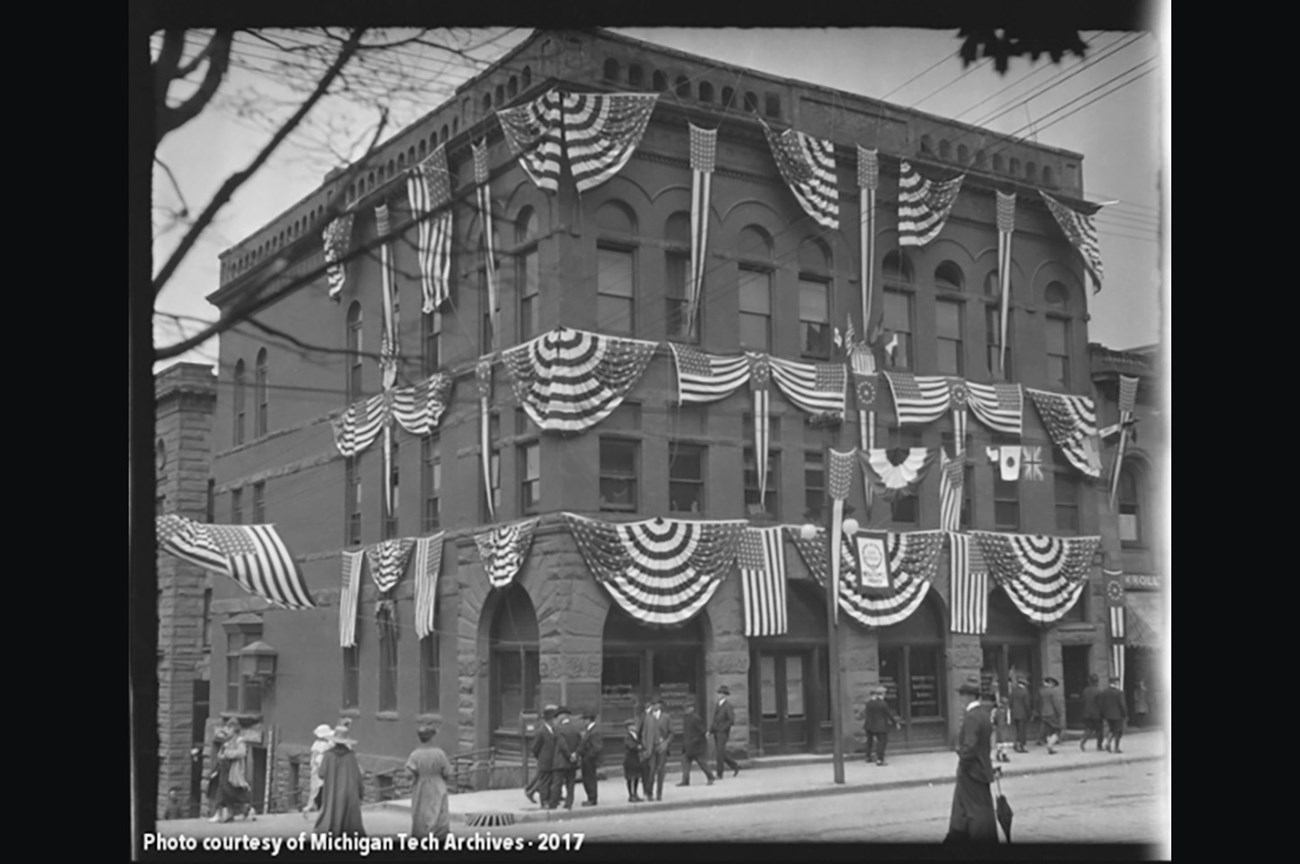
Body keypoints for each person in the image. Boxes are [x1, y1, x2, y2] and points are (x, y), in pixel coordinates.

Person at [944, 677, 999, 844]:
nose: (961, 700)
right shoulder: (983, 715)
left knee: (975, 810)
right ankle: (956, 837)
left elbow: (970, 747)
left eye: (962, 695)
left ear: (968, 697)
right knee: (962, 809)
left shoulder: (972, 717)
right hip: (981, 769)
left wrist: (962, 757)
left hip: (972, 772)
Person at [315, 725, 366, 837]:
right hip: (348, 791)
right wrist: (361, 792)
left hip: (332, 790)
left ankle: (331, 829)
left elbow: (321, 774)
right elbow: (357, 776)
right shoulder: (351, 756)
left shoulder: (328, 755)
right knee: (349, 816)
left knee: (331, 808)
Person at [405, 723, 453, 842]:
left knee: (421, 810)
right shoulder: (439, 753)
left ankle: (422, 835)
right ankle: (439, 834)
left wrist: (417, 775)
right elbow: (447, 772)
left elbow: (408, 774)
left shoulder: (414, 755)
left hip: (421, 785)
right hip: (438, 784)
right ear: (432, 737)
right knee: (438, 809)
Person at [217, 720, 254, 822]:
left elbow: (241, 753)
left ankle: (247, 809)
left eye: (229, 728)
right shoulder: (228, 742)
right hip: (226, 770)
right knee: (226, 791)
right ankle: (229, 813)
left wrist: (227, 754)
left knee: (236, 790)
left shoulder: (240, 741)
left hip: (235, 770)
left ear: (233, 729)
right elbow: (220, 754)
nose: (227, 730)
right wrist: (221, 756)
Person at [641, 695, 672, 802]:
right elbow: (644, 733)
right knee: (651, 770)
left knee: (660, 770)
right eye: (653, 704)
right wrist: (645, 745)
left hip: (661, 746)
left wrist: (666, 743)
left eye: (656, 704)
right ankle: (649, 792)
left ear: (660, 705)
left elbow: (671, 732)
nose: (655, 706)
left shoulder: (666, 717)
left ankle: (659, 793)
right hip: (651, 747)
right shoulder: (648, 717)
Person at [551, 707, 582, 811]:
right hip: (572, 762)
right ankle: (569, 803)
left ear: (561, 717)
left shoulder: (559, 729)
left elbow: (562, 745)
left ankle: (553, 803)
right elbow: (580, 744)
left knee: (557, 783)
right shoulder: (576, 729)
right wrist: (575, 755)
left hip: (561, 761)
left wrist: (569, 755)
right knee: (570, 784)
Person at [677, 704, 715, 786]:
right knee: (685, 763)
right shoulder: (686, 718)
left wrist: (695, 741)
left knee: (702, 763)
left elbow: (702, 731)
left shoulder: (695, 718)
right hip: (687, 746)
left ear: (691, 708)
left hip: (695, 747)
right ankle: (685, 780)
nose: (685, 710)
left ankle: (710, 777)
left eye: (686, 708)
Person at [863, 685, 900, 766]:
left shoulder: (870, 703)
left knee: (870, 742)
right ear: (883, 694)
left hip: (870, 726)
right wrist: (895, 723)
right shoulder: (883, 704)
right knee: (882, 742)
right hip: (881, 726)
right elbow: (889, 714)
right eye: (884, 693)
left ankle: (868, 756)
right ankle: (880, 759)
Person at [530, 705, 558, 810]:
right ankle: (544, 801)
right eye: (554, 719)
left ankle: (551, 800)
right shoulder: (541, 731)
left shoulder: (554, 730)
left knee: (552, 782)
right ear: (550, 719)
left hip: (553, 762)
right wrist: (541, 757)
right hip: (545, 762)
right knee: (544, 783)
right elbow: (535, 748)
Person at [303, 724, 334, 819]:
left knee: (316, 790)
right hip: (321, 772)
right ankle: (318, 809)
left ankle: (314, 808)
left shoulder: (317, 744)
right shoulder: (325, 745)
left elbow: (313, 759)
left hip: (318, 771)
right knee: (320, 790)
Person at [710, 685, 740, 780]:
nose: (718, 695)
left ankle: (719, 774)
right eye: (718, 693)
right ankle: (735, 766)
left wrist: (723, 728)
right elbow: (715, 719)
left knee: (719, 753)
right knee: (721, 752)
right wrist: (711, 730)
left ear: (724, 695)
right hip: (716, 732)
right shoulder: (718, 705)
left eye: (720, 693)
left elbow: (731, 720)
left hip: (723, 732)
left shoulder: (728, 706)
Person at [576, 709, 603, 807]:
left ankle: (592, 798)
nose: (583, 722)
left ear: (588, 720)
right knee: (586, 778)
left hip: (589, 759)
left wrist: (588, 756)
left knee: (590, 778)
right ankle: (590, 797)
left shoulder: (594, 731)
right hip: (586, 758)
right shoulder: (589, 730)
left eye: (584, 720)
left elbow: (596, 747)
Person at [1099, 676, 1129, 753]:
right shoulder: (1119, 693)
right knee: (1118, 732)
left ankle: (1108, 743)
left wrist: (1103, 714)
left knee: (1112, 730)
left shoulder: (1104, 692)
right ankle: (1116, 748)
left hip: (1108, 715)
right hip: (1118, 715)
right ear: (1116, 683)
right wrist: (1125, 715)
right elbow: (1122, 705)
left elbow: (1102, 704)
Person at [1037, 676, 1065, 754]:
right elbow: (1056, 703)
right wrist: (1060, 713)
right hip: (1052, 713)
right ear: (1050, 683)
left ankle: (1050, 748)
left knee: (1049, 730)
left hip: (1043, 713)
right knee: (1058, 730)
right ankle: (1050, 745)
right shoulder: (1052, 692)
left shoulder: (1041, 691)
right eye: (1053, 684)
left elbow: (1039, 703)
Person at [622, 717, 644, 802]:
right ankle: (631, 795)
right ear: (628, 727)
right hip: (630, 759)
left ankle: (635, 793)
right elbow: (630, 745)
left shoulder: (636, 735)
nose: (634, 727)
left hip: (636, 759)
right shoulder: (627, 736)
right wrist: (638, 747)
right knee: (630, 778)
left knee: (636, 777)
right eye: (632, 725)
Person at [1080, 674, 1103, 752]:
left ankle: (1083, 742)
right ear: (1097, 681)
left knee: (1088, 729)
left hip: (1086, 713)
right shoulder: (1098, 691)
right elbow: (1100, 704)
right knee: (1099, 730)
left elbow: (1083, 701)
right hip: (1096, 714)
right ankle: (1099, 745)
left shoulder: (1085, 690)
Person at [1009, 677, 1032, 754]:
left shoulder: (1014, 691)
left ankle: (1016, 744)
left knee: (1017, 730)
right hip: (1022, 714)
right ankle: (1022, 745)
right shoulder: (1025, 692)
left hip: (1015, 713)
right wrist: (1029, 713)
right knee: (1022, 731)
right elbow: (1027, 704)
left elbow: (1010, 703)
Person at [993, 695, 1014, 763]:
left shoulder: (996, 710)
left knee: (999, 742)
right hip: (1004, 727)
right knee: (1005, 742)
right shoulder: (1007, 710)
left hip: (998, 728)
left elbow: (994, 720)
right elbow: (1008, 720)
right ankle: (1004, 755)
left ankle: (998, 753)